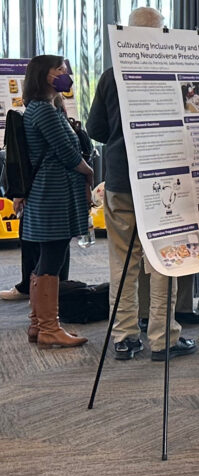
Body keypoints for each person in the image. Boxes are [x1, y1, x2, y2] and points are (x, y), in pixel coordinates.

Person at [88, 7, 197, 361]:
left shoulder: (109, 75)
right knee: (165, 259)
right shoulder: (174, 73)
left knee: (123, 260)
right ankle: (163, 338)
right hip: (164, 180)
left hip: (120, 178)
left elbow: (95, 131)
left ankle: (123, 337)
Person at [15, 55, 91, 349]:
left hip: (50, 192)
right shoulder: (44, 112)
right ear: (43, 75)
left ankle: (39, 324)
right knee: (52, 258)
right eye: (58, 69)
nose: (64, 73)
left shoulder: (43, 108)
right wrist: (90, 172)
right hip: (53, 194)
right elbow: (69, 154)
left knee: (48, 257)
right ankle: (49, 327)